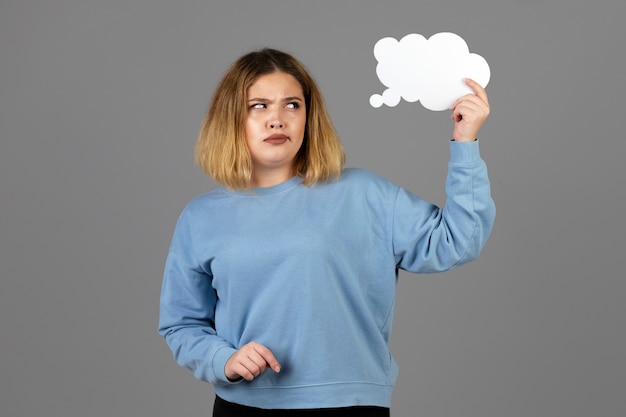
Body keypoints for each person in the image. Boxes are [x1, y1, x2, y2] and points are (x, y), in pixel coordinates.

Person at [158, 48, 495, 416]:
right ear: (230, 118)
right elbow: (182, 324)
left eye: (292, 105)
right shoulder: (201, 217)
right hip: (244, 406)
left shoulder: (363, 193)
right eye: (258, 106)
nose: (277, 120)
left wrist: (465, 144)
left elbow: (457, 241)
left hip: (350, 405)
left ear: (308, 116)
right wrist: (224, 360)